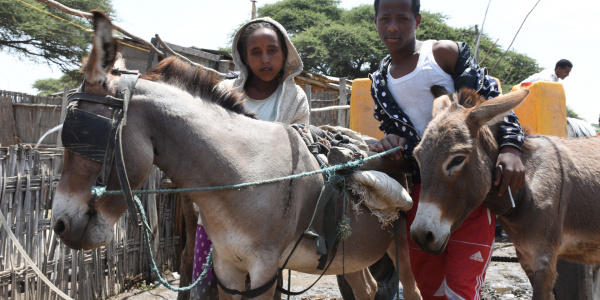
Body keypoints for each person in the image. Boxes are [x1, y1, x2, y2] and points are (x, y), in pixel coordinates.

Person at [367, 0, 526, 299]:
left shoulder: (442, 53)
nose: (392, 26)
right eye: (385, 18)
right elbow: (396, 129)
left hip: (465, 185)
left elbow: (490, 100)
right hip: (422, 188)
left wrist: (510, 147)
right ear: (374, 20)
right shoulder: (379, 81)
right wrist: (392, 140)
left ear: (418, 20)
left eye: (402, 18)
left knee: (462, 288)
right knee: (429, 286)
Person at [188, 17, 309, 299]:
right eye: (256, 53)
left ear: (285, 52)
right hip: (221, 214)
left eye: (272, 50)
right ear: (243, 57)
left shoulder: (294, 97)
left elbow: (300, 150)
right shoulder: (224, 94)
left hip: (271, 217)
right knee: (210, 288)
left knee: (264, 290)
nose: (265, 59)